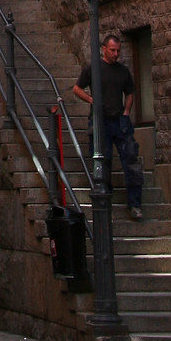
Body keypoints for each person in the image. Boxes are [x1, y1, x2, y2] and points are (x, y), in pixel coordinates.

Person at [72, 34, 144, 220]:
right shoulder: (93, 69)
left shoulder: (122, 71)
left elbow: (130, 92)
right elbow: (77, 88)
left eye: (118, 51)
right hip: (100, 120)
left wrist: (127, 112)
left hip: (119, 120)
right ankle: (105, 198)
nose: (116, 54)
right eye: (113, 50)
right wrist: (91, 100)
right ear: (104, 49)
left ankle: (135, 203)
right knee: (103, 160)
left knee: (131, 159)